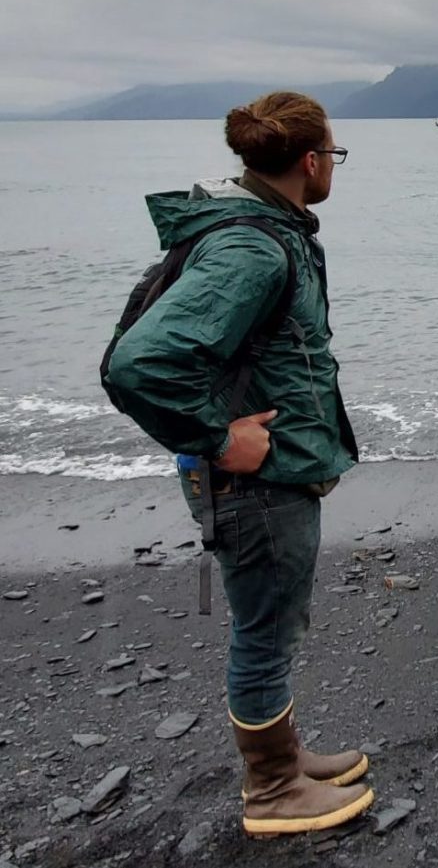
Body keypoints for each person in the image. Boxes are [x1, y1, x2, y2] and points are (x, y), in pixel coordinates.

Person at [104, 92, 373, 837]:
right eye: (334, 156)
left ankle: (283, 754)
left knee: (276, 619)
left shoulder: (263, 228)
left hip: (268, 473)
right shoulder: (253, 246)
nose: (332, 169)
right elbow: (139, 364)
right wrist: (222, 440)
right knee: (264, 626)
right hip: (255, 480)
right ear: (311, 161)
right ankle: (273, 788)